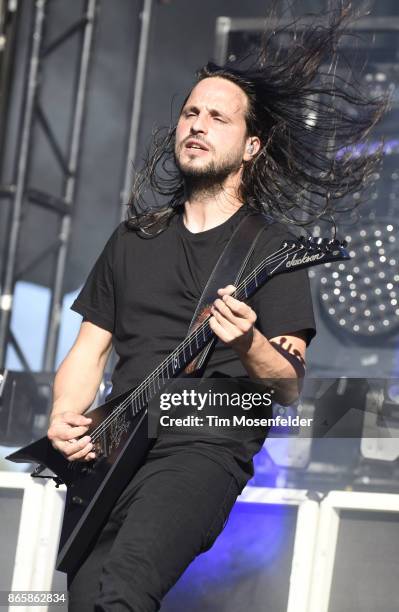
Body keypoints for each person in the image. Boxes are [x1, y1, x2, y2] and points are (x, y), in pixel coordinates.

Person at [47, 6, 385, 611]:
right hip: (115, 446)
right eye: (190, 113)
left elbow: (287, 386)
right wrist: (65, 419)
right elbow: (88, 350)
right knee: (84, 600)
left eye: (217, 117)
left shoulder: (272, 251)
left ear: (252, 145)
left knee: (123, 591)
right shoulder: (134, 239)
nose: (197, 125)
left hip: (203, 447)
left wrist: (248, 343)